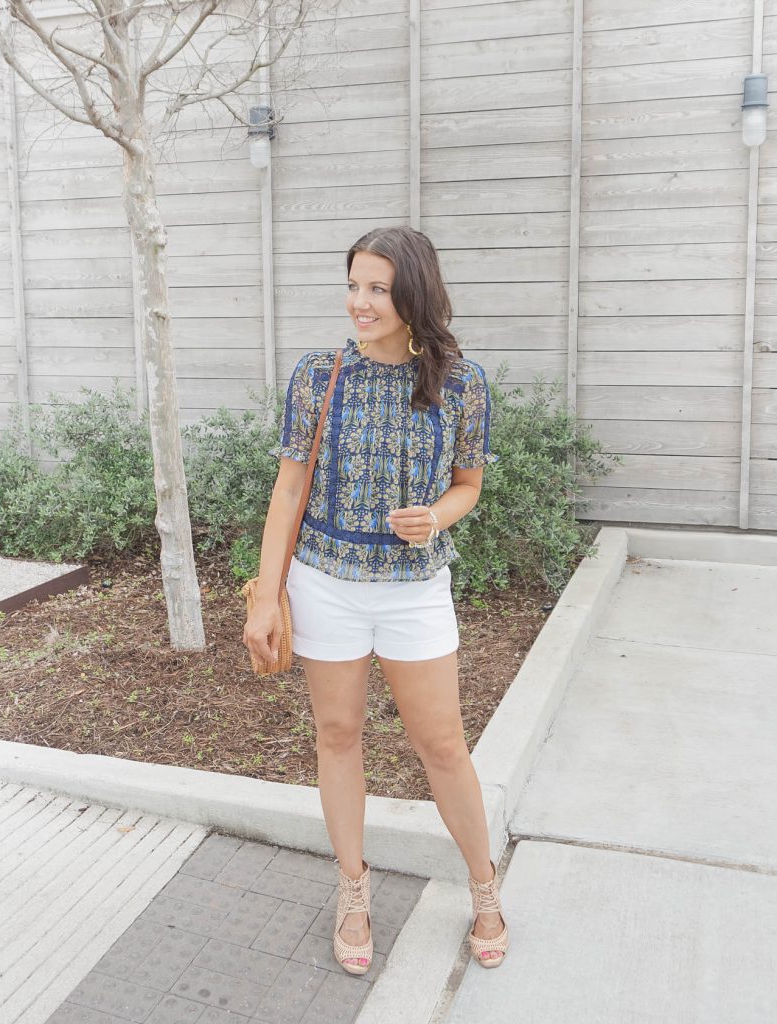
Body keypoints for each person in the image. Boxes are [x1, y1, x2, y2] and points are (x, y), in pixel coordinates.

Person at [242, 225, 508, 974]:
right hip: (323, 582)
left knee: (443, 746)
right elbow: (288, 489)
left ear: (413, 295)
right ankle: (353, 890)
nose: (359, 302)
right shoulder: (319, 374)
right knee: (337, 734)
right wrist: (268, 596)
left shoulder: (461, 382)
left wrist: (436, 517)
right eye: (353, 285)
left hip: (414, 591)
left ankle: (483, 886)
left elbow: (469, 485)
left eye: (377, 289)